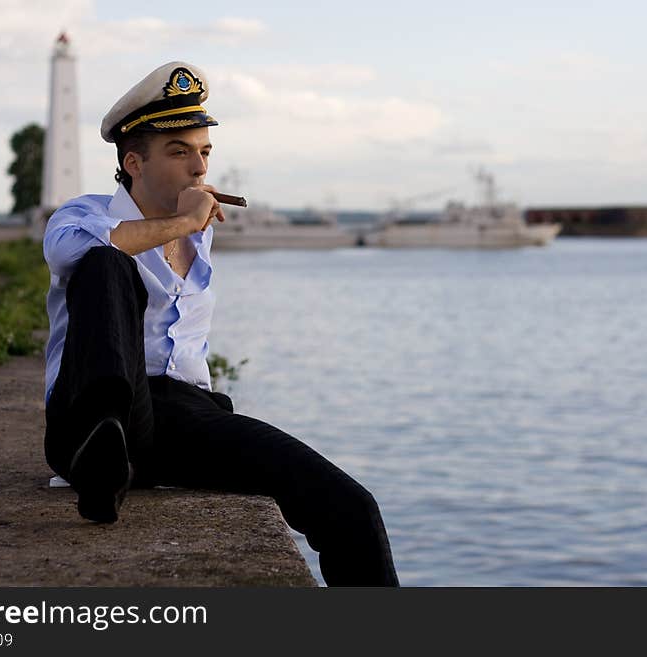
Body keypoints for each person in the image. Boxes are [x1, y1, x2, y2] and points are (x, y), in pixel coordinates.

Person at [42, 61, 399, 586]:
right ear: (133, 162)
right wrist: (184, 221)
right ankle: (101, 450)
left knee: (350, 507)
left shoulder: (199, 234)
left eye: (204, 152)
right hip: (92, 407)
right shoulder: (84, 215)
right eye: (179, 152)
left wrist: (190, 228)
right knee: (104, 262)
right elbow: (71, 251)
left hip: (181, 416)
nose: (199, 169)